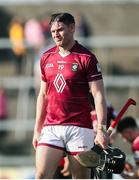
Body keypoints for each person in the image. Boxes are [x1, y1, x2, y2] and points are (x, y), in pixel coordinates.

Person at [32, 12, 109, 179]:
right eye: (53, 31)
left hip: (79, 128)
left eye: (60, 29)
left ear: (72, 28)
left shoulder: (87, 58)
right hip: (51, 127)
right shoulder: (46, 57)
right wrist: (37, 129)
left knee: (80, 178)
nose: (56, 34)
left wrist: (101, 129)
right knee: (40, 175)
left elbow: (98, 95)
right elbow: (43, 95)